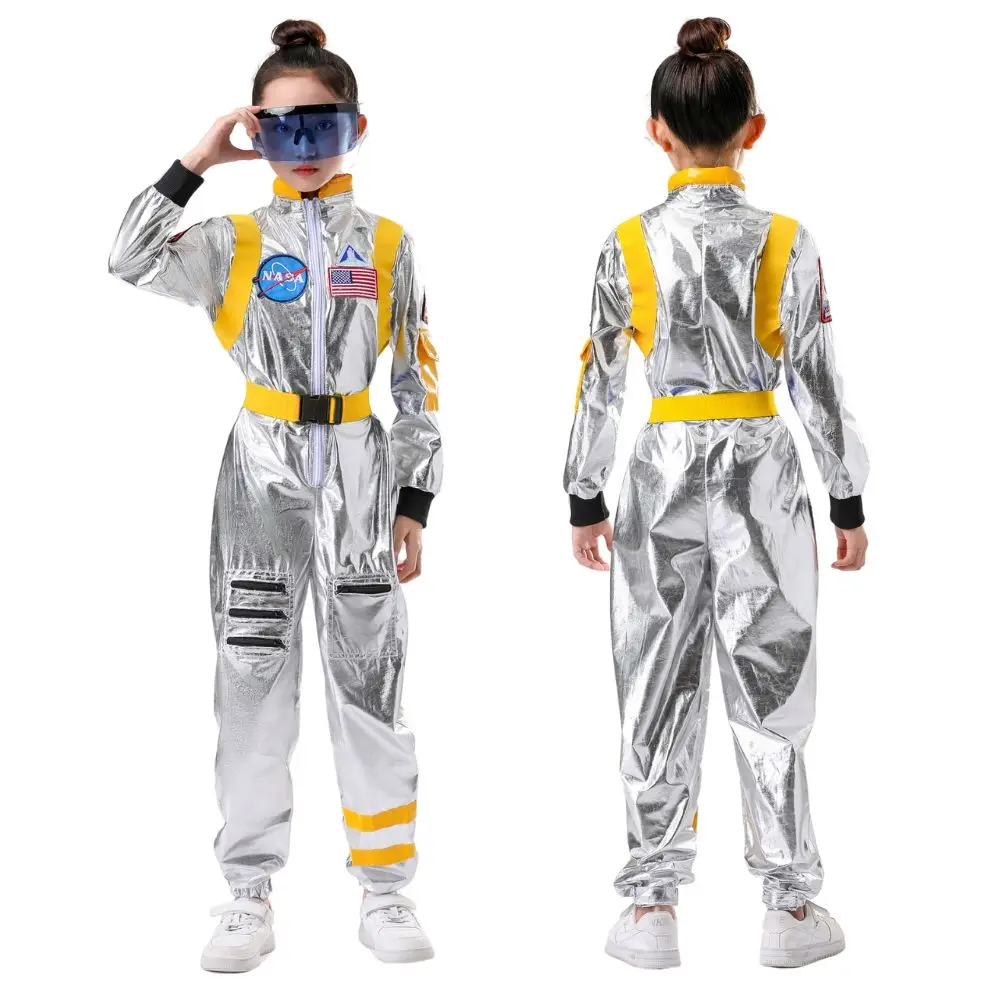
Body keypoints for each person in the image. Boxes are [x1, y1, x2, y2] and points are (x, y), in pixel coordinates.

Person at [108, 19, 441, 971]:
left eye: (321, 126)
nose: (303, 147)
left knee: (371, 680)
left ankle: (386, 890)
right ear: (255, 130)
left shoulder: (388, 243)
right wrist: (198, 159)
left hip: (360, 466)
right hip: (260, 469)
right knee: (251, 678)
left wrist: (415, 498)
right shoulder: (232, 241)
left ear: (356, 129)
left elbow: (417, 379)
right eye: (280, 128)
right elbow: (127, 258)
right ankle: (247, 893)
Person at [563, 16, 869, 970]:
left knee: (654, 676)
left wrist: (584, 494)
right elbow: (818, 379)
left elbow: (598, 379)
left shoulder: (626, 244)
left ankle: (651, 904)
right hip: (761, 468)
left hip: (658, 466)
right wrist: (847, 499)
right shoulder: (788, 241)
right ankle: (790, 906)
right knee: (771, 681)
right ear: (754, 129)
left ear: (656, 130)